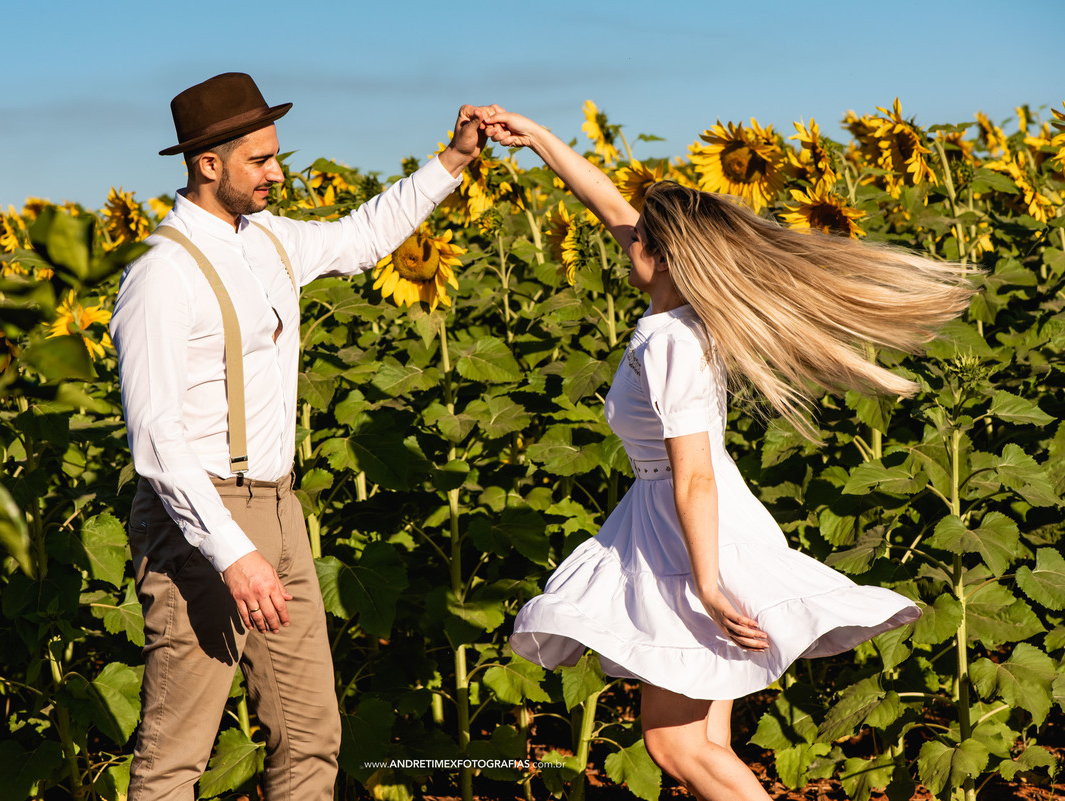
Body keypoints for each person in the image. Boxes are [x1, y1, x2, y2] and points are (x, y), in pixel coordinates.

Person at [480, 110, 973, 799]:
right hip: (688, 526)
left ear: (665, 256)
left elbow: (696, 474)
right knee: (707, 741)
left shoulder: (667, 342)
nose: (625, 237)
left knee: (673, 743)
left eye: (639, 237)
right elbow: (611, 203)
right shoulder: (678, 313)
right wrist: (537, 138)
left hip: (684, 534)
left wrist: (708, 584)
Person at [110, 72, 499, 801]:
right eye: (260, 160)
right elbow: (157, 437)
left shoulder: (271, 240)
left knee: (311, 735)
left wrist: (454, 158)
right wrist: (233, 553)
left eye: (276, 154)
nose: (278, 172)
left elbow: (362, 237)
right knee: (176, 757)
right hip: (200, 522)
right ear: (207, 164)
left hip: (282, 508)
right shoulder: (161, 274)